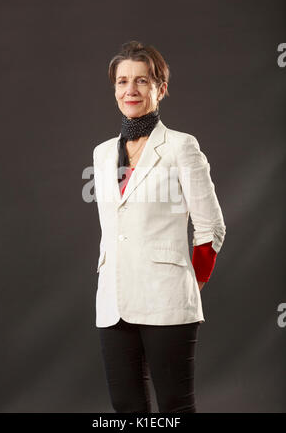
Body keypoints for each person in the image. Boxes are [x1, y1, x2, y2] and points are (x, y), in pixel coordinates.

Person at [92, 40, 226, 413]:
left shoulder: (182, 147)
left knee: (174, 408)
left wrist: (188, 283)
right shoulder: (102, 154)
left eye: (141, 81)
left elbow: (211, 227)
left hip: (168, 300)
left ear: (160, 88)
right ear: (114, 88)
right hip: (113, 301)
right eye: (122, 81)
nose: (130, 90)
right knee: (126, 408)